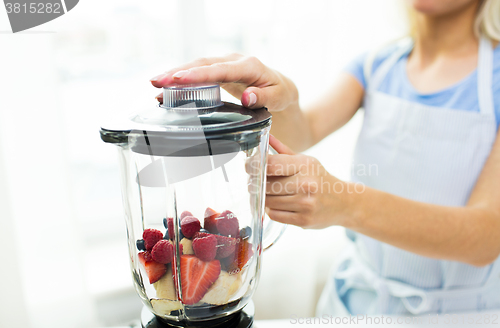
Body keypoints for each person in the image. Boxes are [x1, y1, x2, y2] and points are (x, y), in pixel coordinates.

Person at [150, 0, 500, 315]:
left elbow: (487, 236)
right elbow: (304, 130)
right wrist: (278, 97)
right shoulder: (377, 65)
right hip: (354, 304)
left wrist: (345, 203)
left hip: (459, 314)